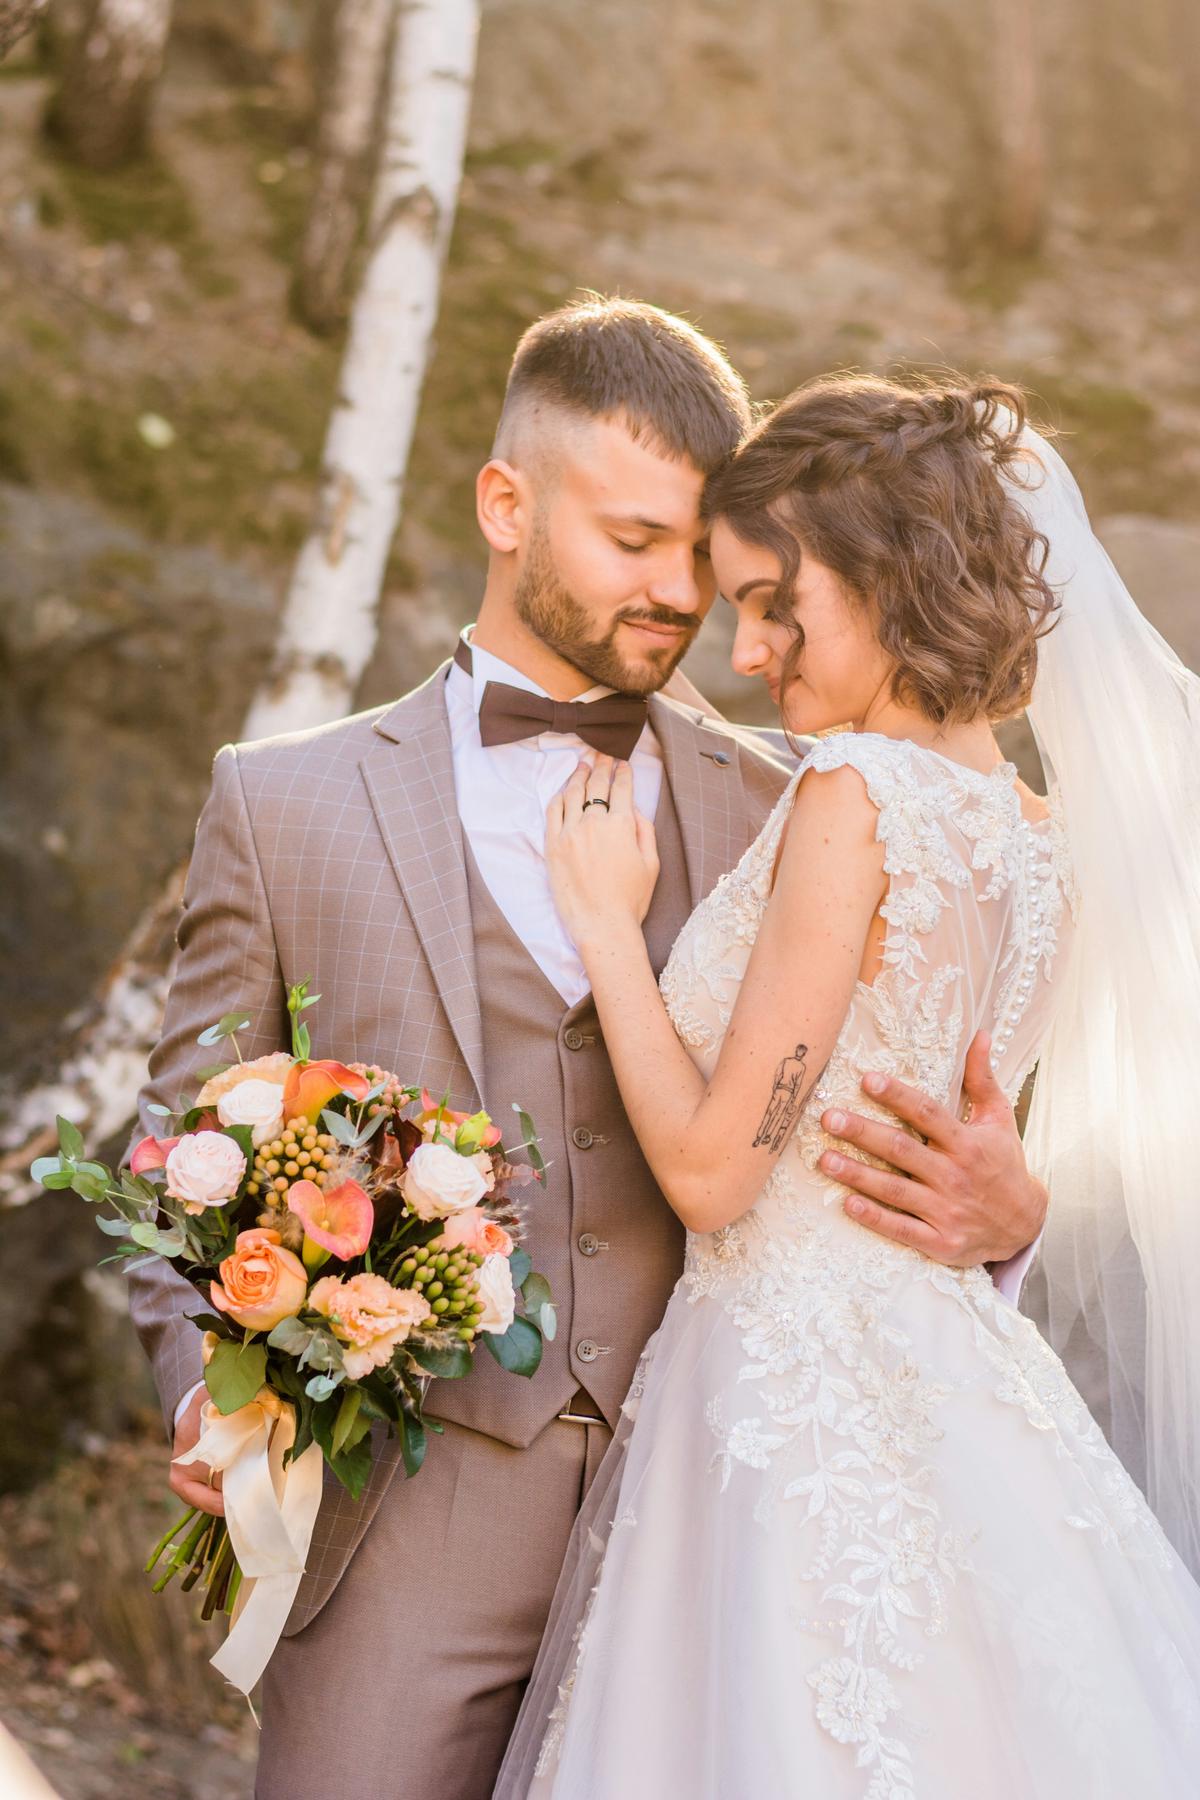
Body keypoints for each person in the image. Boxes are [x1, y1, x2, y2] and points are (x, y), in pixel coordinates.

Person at [127, 302, 1045, 1799]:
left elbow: (935, 1077)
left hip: (727, 1515)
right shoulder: (282, 805)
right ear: (506, 504)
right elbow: (175, 1150)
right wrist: (210, 1399)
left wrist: (1012, 1210)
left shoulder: (805, 794)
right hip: (399, 1530)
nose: (679, 597)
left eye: (702, 552)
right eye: (634, 541)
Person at [494, 375, 1200, 1798]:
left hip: (788, 1391)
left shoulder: (855, 800)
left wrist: (603, 930)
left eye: (774, 603)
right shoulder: (1038, 837)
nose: (749, 647)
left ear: (888, 576)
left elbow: (712, 1173)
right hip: (953, 1387)